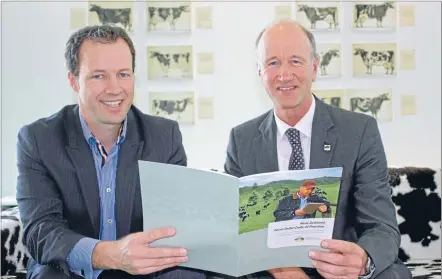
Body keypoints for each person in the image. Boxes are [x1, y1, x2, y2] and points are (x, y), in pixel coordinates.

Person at [223, 20, 412, 279]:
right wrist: (282, 268)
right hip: (270, 271)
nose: (284, 74)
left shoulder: (359, 131)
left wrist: (362, 260)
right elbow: (235, 227)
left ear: (314, 67)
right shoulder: (241, 139)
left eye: (296, 61)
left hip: (341, 271)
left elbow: (382, 227)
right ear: (260, 72)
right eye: (273, 62)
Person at [15, 25, 207, 279]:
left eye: (123, 74)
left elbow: (176, 223)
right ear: (74, 81)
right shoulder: (39, 139)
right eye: (98, 76)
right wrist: (109, 254)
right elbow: (41, 231)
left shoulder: (164, 137)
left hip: (143, 271)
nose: (115, 88)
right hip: (71, 269)